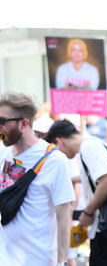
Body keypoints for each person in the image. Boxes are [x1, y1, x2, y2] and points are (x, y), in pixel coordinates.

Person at [0, 92, 75, 265]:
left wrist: (62, 261)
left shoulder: (54, 160)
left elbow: (64, 217)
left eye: (2, 121)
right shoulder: (3, 155)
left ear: (24, 123)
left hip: (38, 259)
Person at [45, 119, 107, 266]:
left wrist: (88, 212)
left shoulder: (89, 146)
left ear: (59, 141)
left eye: (55, 149)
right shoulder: (90, 144)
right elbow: (98, 177)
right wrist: (73, 179)